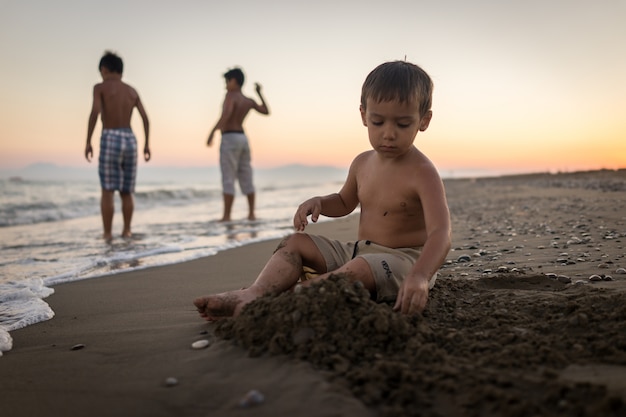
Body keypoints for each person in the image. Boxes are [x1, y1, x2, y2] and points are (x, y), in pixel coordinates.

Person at [194, 60, 451, 318]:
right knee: (296, 242)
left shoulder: (423, 173)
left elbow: (441, 233)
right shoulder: (362, 163)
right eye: (378, 122)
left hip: (404, 261)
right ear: (363, 115)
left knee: (358, 269)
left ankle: (283, 301)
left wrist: (420, 276)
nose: (388, 133)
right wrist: (319, 202)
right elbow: (343, 201)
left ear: (424, 120)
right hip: (359, 250)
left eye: (402, 124)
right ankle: (256, 292)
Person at [85, 51, 150, 240]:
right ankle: (127, 230)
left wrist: (88, 140)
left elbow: (95, 112)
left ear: (104, 69)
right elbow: (145, 118)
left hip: (111, 135)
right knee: (126, 191)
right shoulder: (131, 91)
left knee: (107, 189)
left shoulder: (100, 87)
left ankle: (107, 234)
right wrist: (146, 144)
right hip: (130, 138)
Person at [206, 67, 270, 222]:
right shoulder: (248, 100)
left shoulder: (230, 96)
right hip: (243, 138)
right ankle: (251, 214)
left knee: (228, 177)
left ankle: (226, 216)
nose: (225, 85)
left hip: (229, 138)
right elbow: (265, 110)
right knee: (246, 175)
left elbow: (226, 115)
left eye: (227, 81)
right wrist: (259, 93)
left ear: (234, 81)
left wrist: (212, 132)